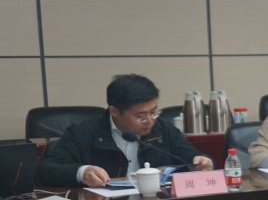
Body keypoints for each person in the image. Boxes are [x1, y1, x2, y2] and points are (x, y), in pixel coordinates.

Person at [35, 73, 212, 187]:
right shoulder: (83, 133)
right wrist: (82, 172)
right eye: (140, 116)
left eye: (153, 112)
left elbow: (192, 157)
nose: (149, 121)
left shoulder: (163, 129)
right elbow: (46, 171)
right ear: (114, 111)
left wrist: (203, 162)